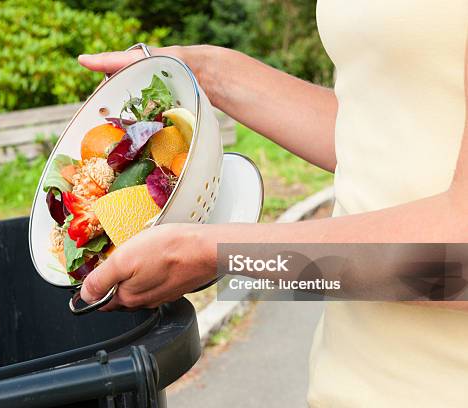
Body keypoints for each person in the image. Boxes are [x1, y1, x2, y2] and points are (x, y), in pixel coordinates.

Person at [78, 1, 468, 406]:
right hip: (346, 378)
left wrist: (215, 253)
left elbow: (458, 263)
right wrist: (203, 71)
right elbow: (377, 132)